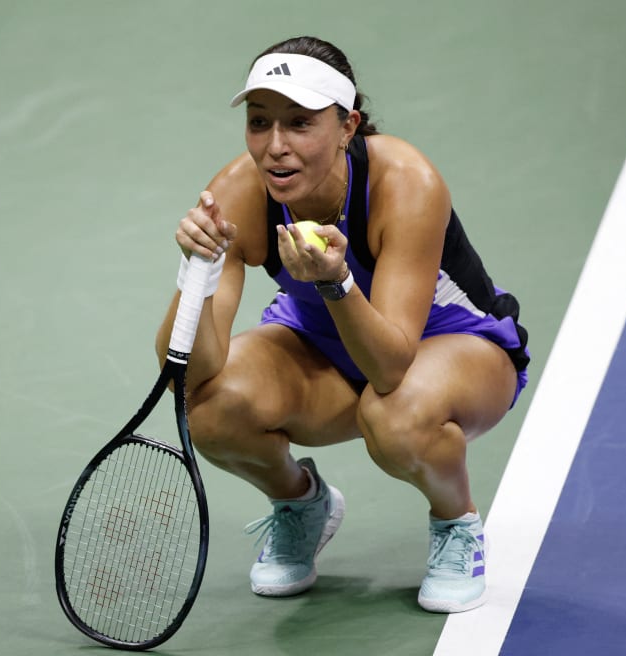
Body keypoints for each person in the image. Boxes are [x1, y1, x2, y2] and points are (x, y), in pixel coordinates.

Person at [155, 36, 530, 613]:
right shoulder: (237, 192)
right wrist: (197, 271)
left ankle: (457, 523)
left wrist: (335, 282)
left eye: (300, 123)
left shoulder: (404, 182)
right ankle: (302, 504)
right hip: (323, 351)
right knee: (210, 407)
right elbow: (186, 373)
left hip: (454, 349)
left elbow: (391, 366)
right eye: (260, 122)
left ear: (348, 125)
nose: (275, 147)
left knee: (397, 414)